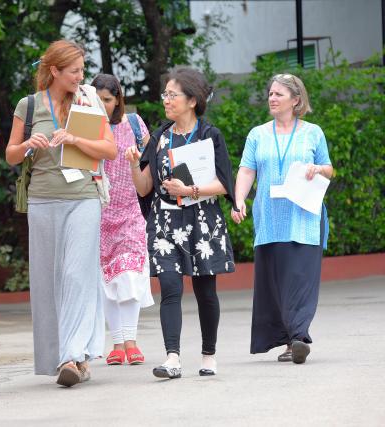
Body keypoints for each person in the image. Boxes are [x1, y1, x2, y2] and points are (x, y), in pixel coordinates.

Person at [5, 40, 117, 387]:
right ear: (53, 71)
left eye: (82, 70)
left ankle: (73, 353)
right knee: (49, 280)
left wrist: (75, 140)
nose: (80, 77)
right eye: (74, 71)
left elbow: (109, 150)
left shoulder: (88, 100)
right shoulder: (29, 105)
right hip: (42, 201)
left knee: (76, 275)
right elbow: (9, 155)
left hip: (83, 196)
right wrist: (26, 146)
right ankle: (72, 358)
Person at [126, 68, 237, 379]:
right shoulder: (160, 137)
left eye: (172, 95)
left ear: (192, 100)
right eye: (165, 95)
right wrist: (135, 163)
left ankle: (209, 355)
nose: (166, 100)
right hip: (165, 219)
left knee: (205, 290)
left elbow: (225, 183)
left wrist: (190, 191)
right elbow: (145, 187)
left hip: (202, 218)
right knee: (170, 288)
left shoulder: (209, 135)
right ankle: (172, 357)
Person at [231, 73, 333, 364]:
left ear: (296, 100)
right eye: (270, 94)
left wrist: (318, 169)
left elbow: (330, 169)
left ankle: (299, 336)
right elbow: (247, 170)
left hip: (304, 218)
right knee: (275, 282)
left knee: (300, 278)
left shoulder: (313, 133)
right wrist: (239, 199)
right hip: (270, 219)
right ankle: (289, 340)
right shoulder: (257, 134)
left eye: (279, 94)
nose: (272, 99)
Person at [90, 74, 154, 366]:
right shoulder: (86, 127)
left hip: (131, 208)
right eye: (98, 99)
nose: (103, 105)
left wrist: (138, 158)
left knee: (129, 275)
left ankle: (131, 340)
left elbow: (153, 157)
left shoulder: (134, 124)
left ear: (117, 100)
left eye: (107, 99)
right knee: (107, 281)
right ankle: (116, 342)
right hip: (98, 210)